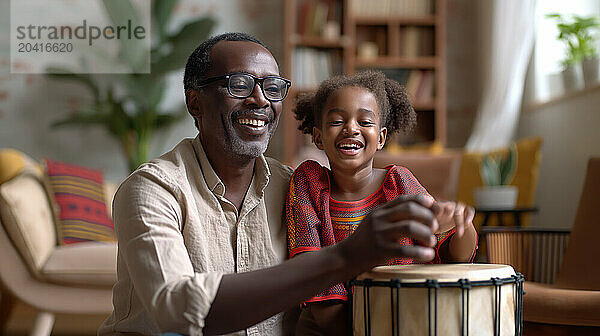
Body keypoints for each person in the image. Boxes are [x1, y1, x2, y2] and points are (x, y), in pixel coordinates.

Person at [99, 32, 450, 336]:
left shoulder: (297, 188)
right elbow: (177, 310)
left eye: (272, 88)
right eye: (239, 85)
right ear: (196, 102)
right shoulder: (151, 189)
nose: (261, 100)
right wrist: (344, 257)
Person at [287, 71, 478, 335]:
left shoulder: (398, 182)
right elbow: (310, 271)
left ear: (381, 137)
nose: (351, 128)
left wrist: (459, 225)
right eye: (338, 121)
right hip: (328, 325)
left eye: (364, 121)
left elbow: (457, 257)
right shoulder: (309, 182)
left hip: (406, 318)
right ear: (318, 137)